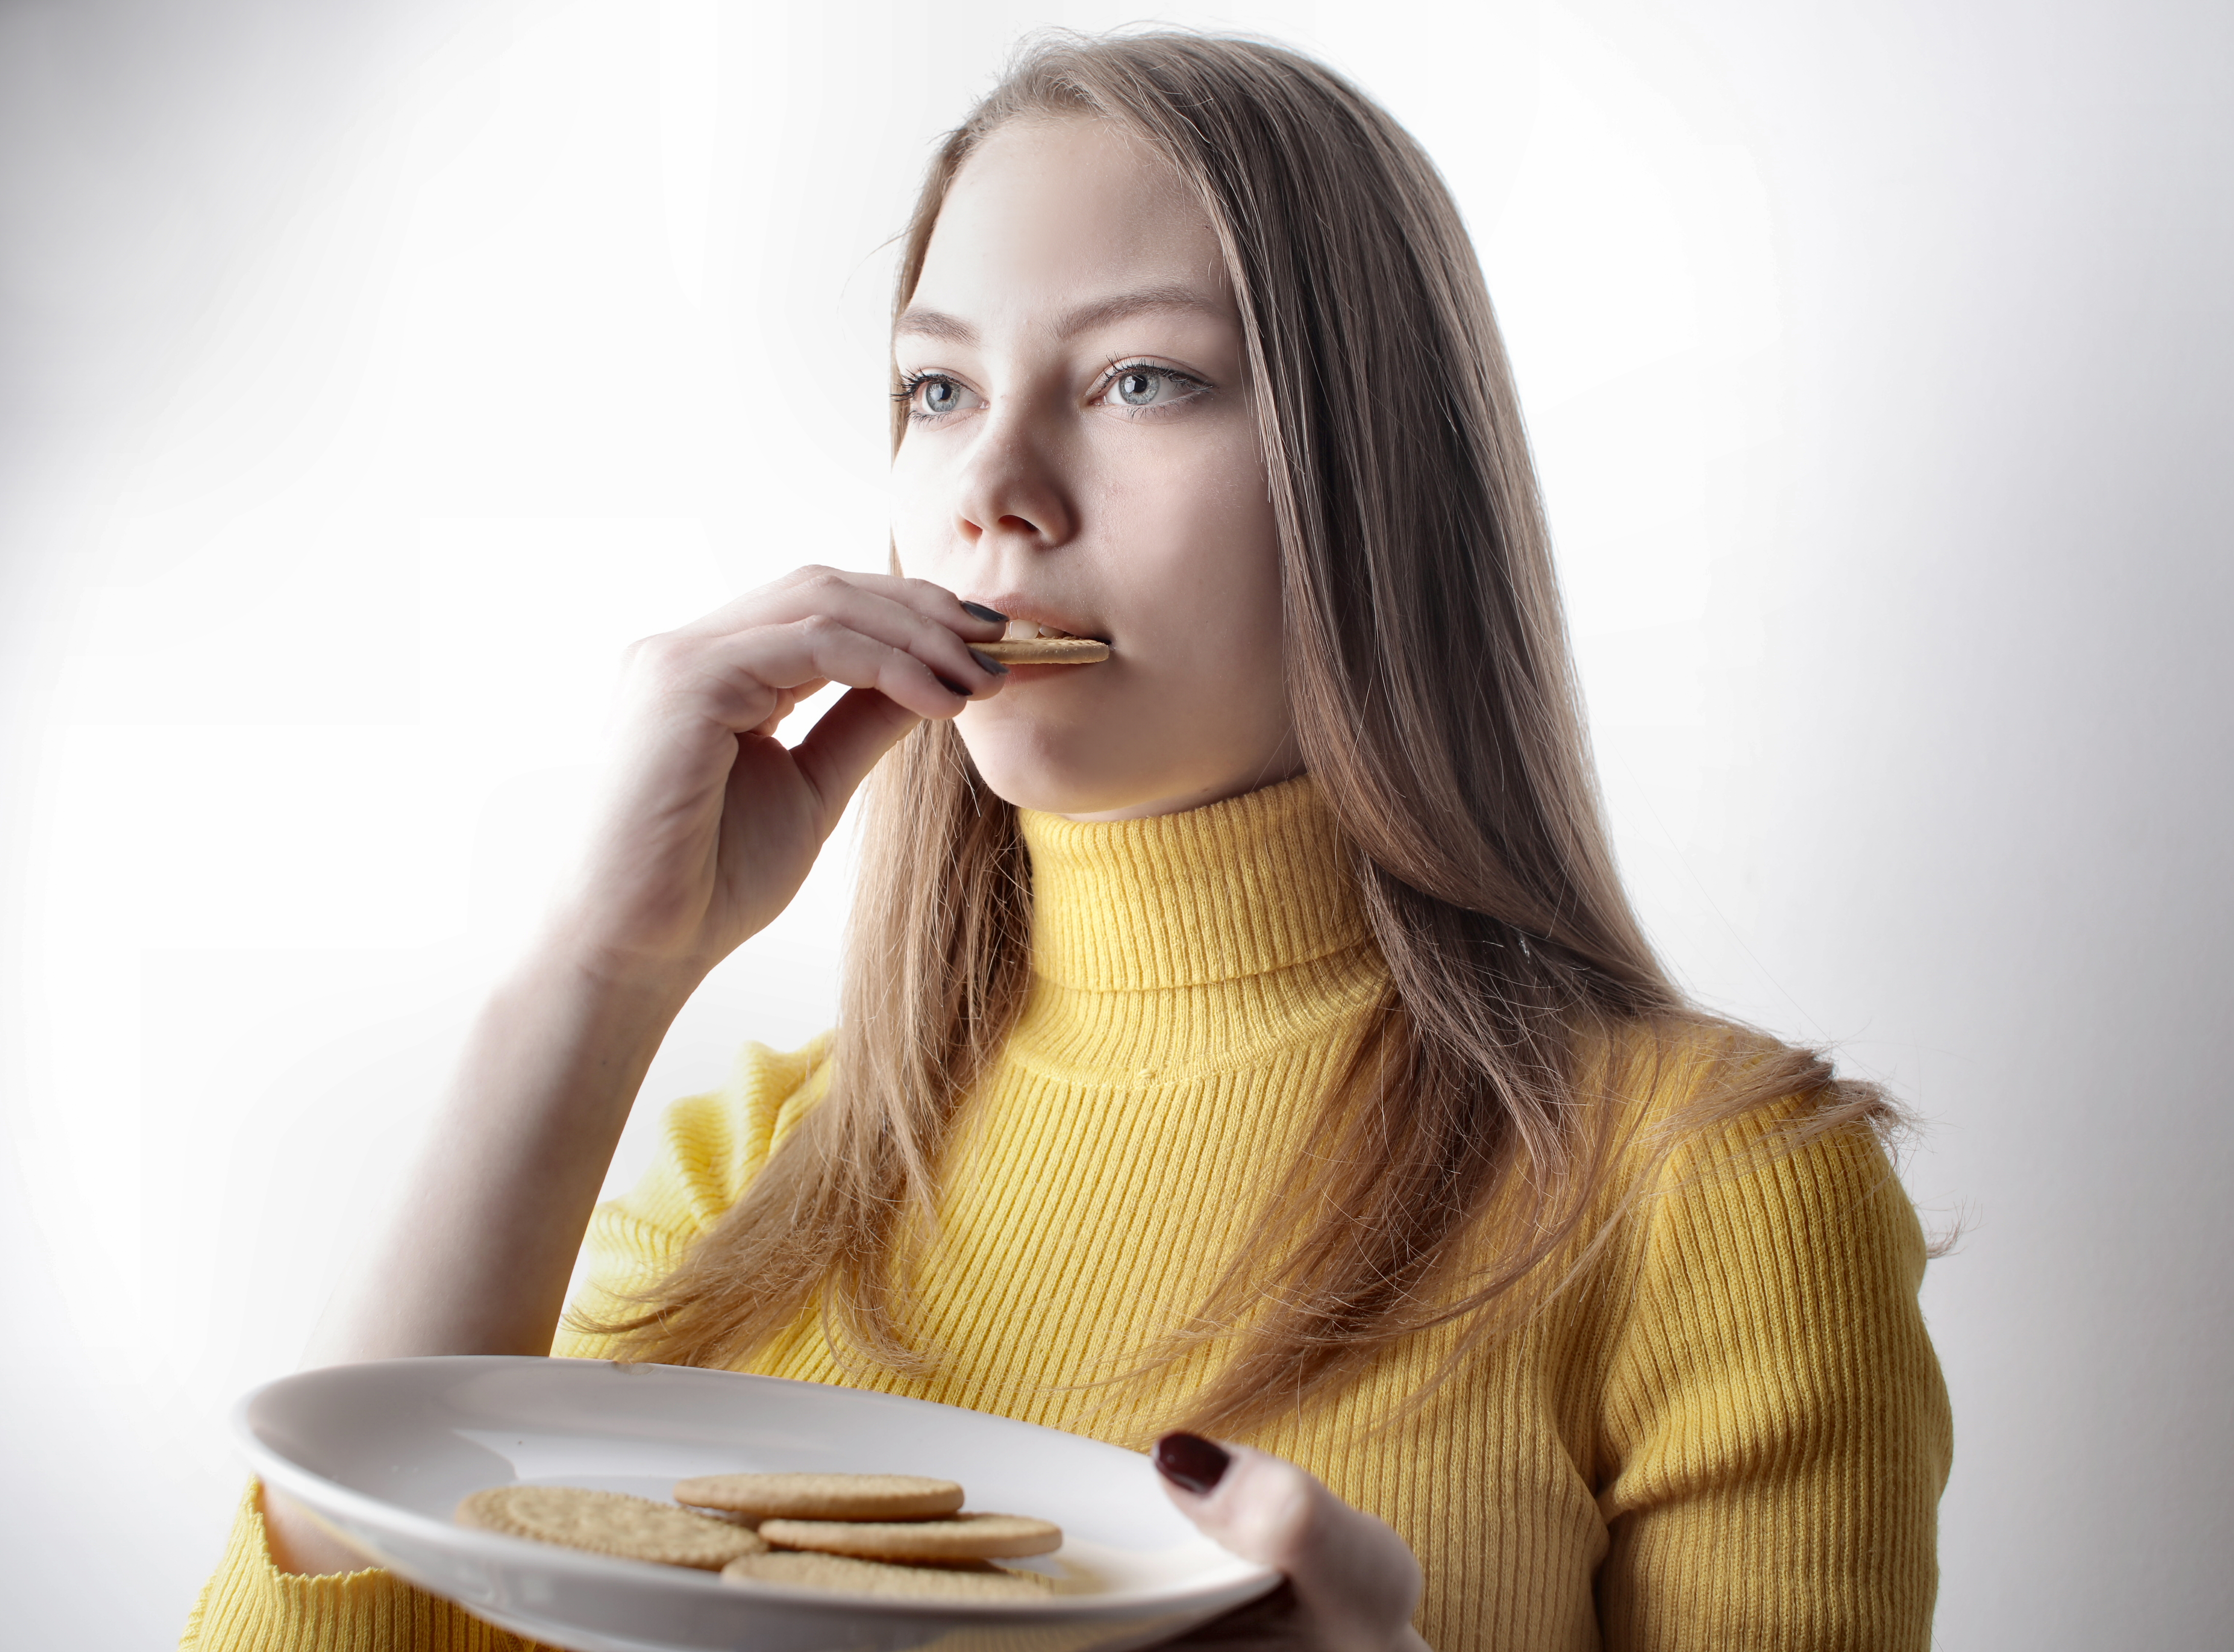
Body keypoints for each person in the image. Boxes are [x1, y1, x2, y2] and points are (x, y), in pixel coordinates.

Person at [183, 30, 1950, 1652]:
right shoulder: (754, 1167)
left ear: (1375, 476)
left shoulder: (1713, 1189)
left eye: (1142, 383)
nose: (991, 492)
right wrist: (590, 977)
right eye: (937, 391)